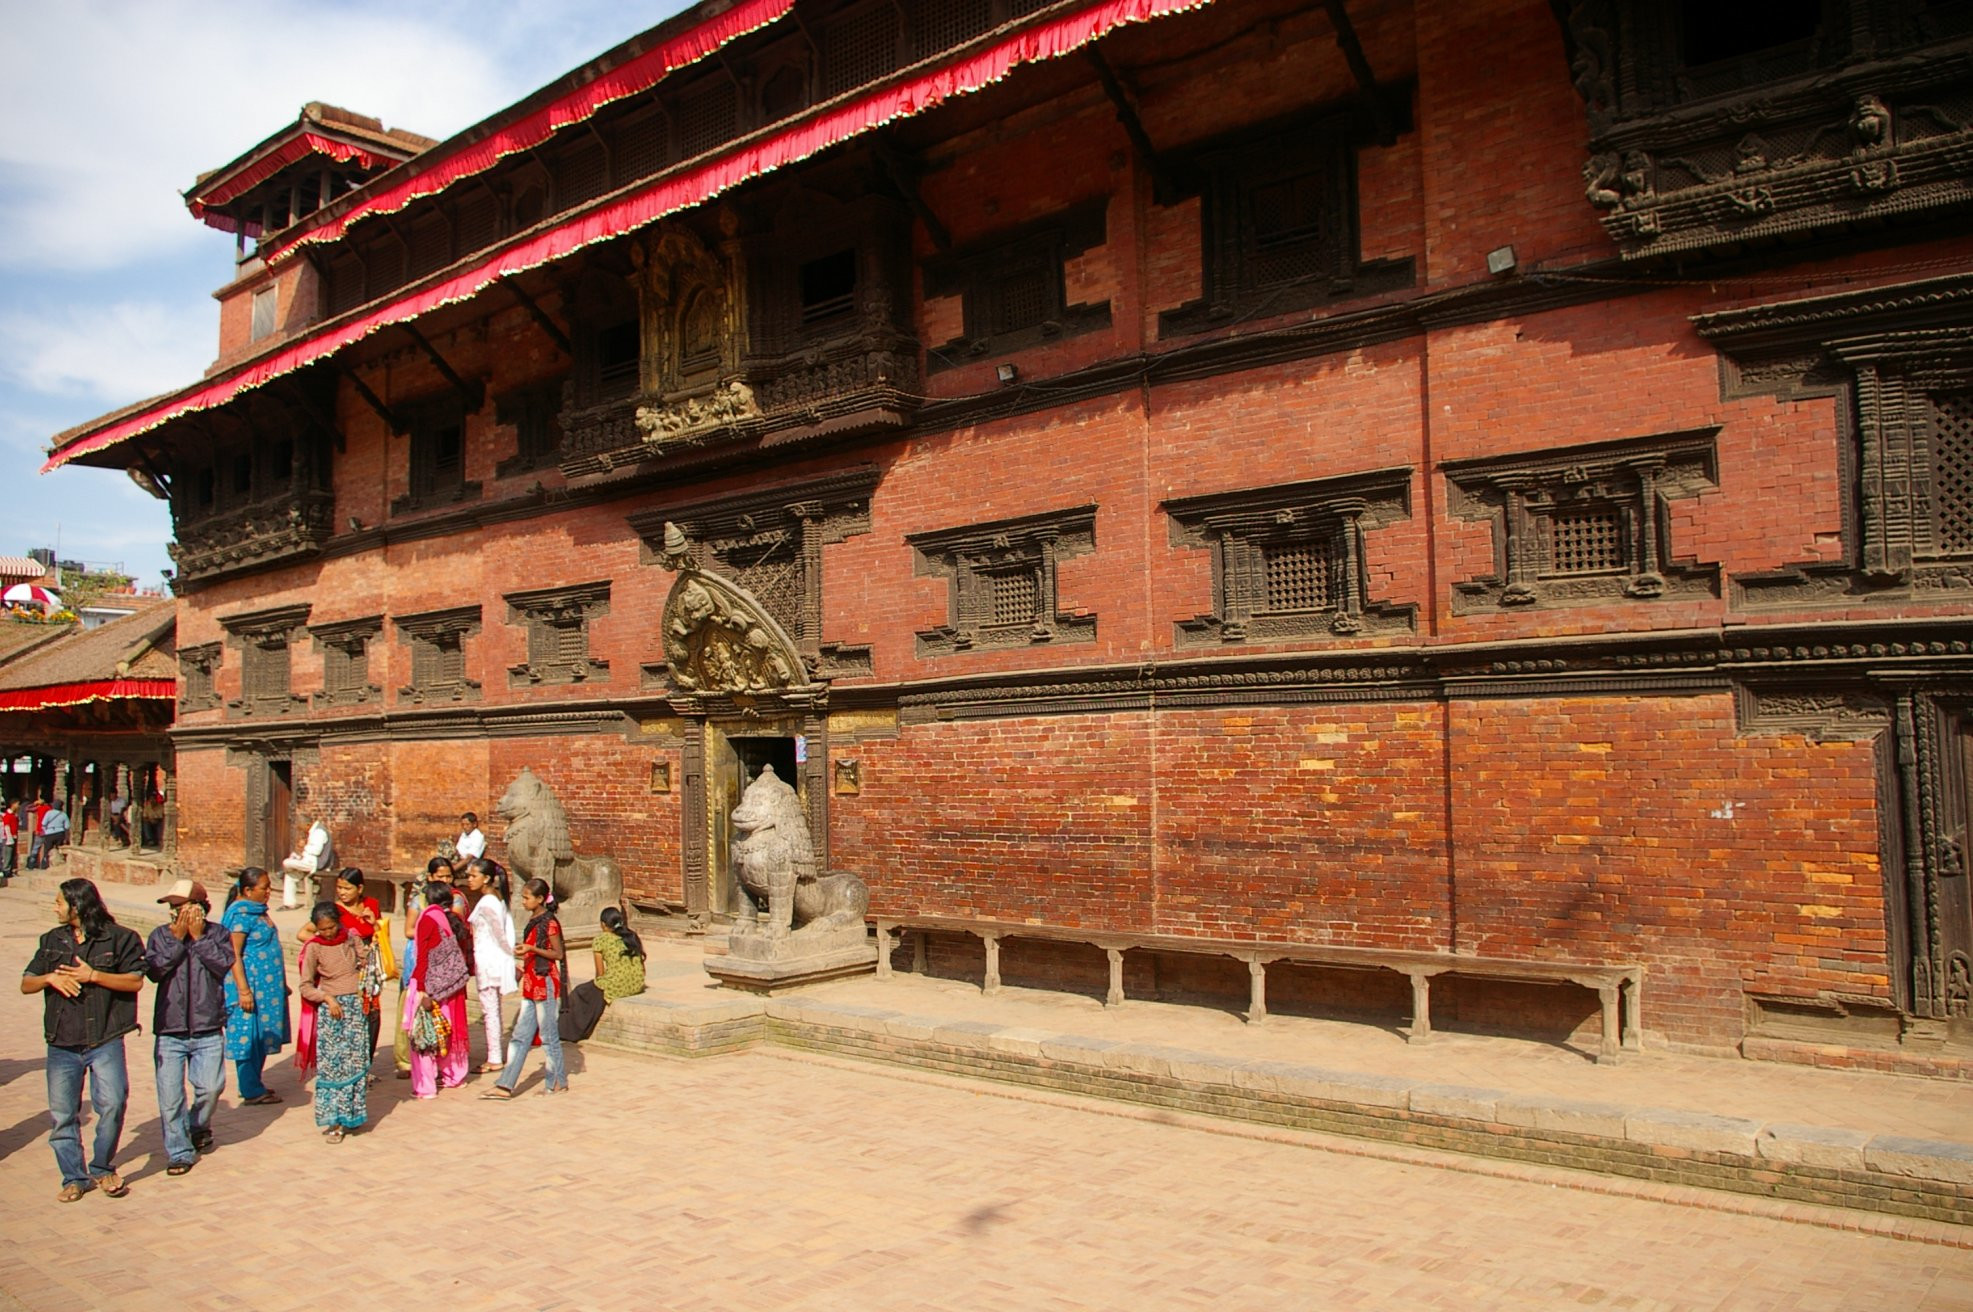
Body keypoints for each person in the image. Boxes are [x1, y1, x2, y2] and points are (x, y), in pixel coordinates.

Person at [21, 878, 145, 1201]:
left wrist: (94, 976)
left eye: (59, 903)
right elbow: (26, 983)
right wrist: (50, 978)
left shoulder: (120, 939)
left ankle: (103, 1167)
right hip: (62, 1041)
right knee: (63, 1115)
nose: (54, 907)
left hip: (105, 1037)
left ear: (76, 907)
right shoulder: (52, 941)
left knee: (114, 1103)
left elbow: (135, 982)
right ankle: (74, 1177)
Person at [143, 879, 233, 1177]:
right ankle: (179, 1152)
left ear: (199, 908)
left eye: (181, 907)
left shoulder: (217, 934)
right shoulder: (160, 936)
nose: (174, 913)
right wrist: (177, 939)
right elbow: (155, 971)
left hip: (207, 1026)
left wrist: (199, 938)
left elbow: (223, 965)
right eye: (172, 908)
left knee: (210, 1088)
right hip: (170, 1029)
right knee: (170, 1097)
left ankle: (197, 1126)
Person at [482, 878, 567, 1100]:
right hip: (531, 983)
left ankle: (557, 1080)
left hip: (545, 982)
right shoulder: (534, 920)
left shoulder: (550, 923)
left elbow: (558, 954)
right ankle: (505, 1084)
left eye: (527, 897)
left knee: (548, 1035)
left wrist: (532, 948)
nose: (523, 901)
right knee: (520, 1037)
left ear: (540, 899)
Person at [298, 901, 370, 1142]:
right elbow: (305, 985)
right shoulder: (314, 948)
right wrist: (327, 998)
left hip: (354, 1009)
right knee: (334, 1068)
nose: (327, 933)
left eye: (331, 927)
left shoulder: (350, 937)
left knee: (355, 1064)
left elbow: (365, 960)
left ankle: (352, 1114)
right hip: (333, 1013)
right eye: (322, 929)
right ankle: (335, 1122)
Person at [300, 869, 382, 1070]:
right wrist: (329, 948)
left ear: (360, 888)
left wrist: (375, 925)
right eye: (339, 888)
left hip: (367, 973)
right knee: (340, 1038)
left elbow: (377, 940)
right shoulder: (332, 914)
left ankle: (365, 1066)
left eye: (347, 888)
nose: (342, 892)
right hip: (339, 985)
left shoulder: (369, 908)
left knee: (371, 1020)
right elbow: (304, 933)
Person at [222, 868, 291, 1105]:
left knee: (262, 1034)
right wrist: (243, 990)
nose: (269, 892)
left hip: (267, 989)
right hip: (250, 987)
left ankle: (254, 1083)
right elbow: (233, 953)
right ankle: (250, 1089)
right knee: (248, 1036)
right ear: (248, 890)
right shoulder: (240, 915)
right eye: (264, 888)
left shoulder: (258, 911)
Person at [406, 877, 473, 1099]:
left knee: (424, 1032)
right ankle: (454, 1076)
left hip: (429, 985)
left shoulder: (428, 920)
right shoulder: (457, 921)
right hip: (452, 986)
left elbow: (423, 957)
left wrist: (422, 989)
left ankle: (426, 1086)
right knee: (449, 1031)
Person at [561, 905, 645, 1043]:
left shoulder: (601, 940)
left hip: (617, 984)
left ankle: (569, 1031)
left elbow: (600, 973)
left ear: (603, 924)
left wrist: (595, 985)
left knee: (580, 992)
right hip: (637, 983)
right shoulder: (631, 936)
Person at [392, 862, 444, 1080]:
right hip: (418, 958)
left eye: (449, 876)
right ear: (430, 877)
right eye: (440, 875)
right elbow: (408, 930)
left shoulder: (454, 900)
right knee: (409, 1009)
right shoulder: (418, 900)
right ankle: (406, 1060)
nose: (445, 880)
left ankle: (437, 1058)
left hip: (441, 962)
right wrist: (430, 931)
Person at [464, 858, 516, 1072]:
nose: (469, 880)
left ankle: (494, 1057)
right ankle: (494, 1054)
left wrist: (509, 959)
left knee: (490, 1010)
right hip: (489, 959)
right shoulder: (495, 900)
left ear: (486, 878)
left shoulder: (489, 903)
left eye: (473, 876)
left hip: (490, 961)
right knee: (492, 1009)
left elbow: (501, 935)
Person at [280, 814, 333, 909]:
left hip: (315, 863)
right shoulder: (314, 832)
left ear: (308, 825)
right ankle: (289, 904)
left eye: (302, 828)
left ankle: (282, 870)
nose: (302, 830)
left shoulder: (319, 832)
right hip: (307, 861)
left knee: (286, 862)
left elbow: (316, 851)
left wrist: (304, 846)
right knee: (290, 876)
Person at [29, 798, 69, 870]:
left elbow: (43, 823)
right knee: (58, 849)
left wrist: (44, 831)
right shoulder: (63, 815)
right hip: (60, 833)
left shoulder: (49, 813)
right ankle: (58, 864)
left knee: (47, 850)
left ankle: (44, 865)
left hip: (49, 833)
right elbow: (67, 826)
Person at [0, 798, 19, 881]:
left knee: (12, 855)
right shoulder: (7, 815)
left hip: (13, 837)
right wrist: (9, 838)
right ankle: (6, 871)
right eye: (17, 804)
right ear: (13, 804)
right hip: (8, 838)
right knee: (7, 856)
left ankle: (10, 871)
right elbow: (7, 827)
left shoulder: (14, 815)